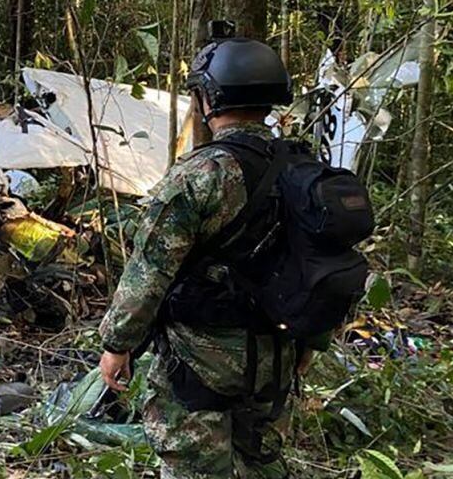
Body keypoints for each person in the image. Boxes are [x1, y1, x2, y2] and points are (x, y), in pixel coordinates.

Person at [95, 31, 312, 478]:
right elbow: (324, 263)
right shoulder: (304, 170)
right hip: (277, 355)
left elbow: (149, 271)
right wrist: (311, 342)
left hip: (199, 362)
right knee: (263, 465)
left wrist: (118, 344)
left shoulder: (202, 174)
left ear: (209, 99)